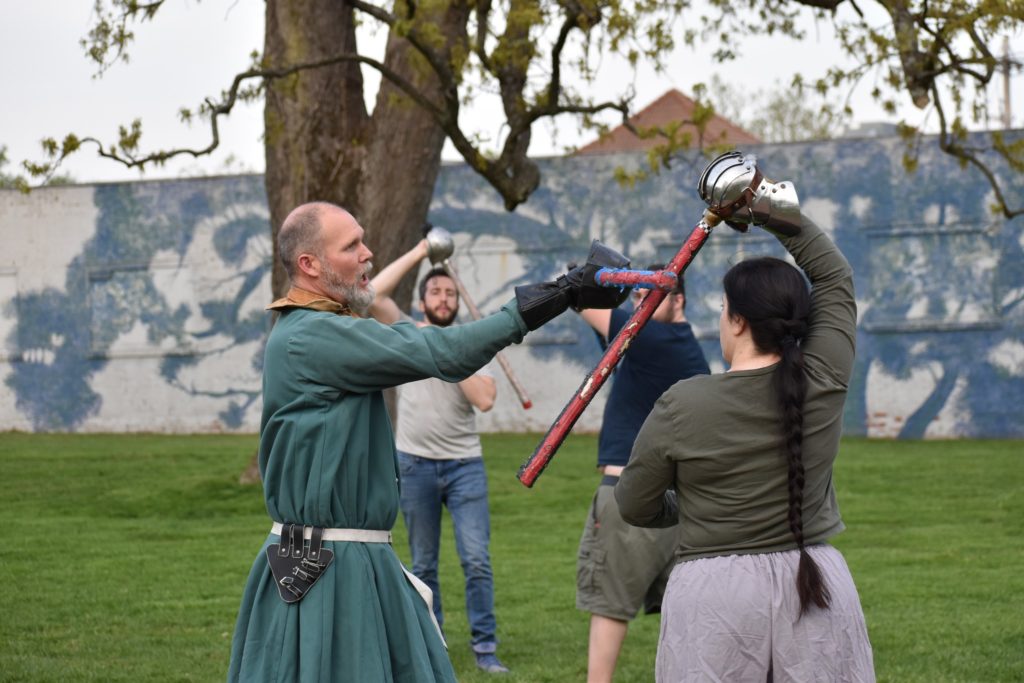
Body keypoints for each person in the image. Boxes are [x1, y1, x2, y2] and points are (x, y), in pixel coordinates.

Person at [226, 202, 627, 683]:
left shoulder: (320, 328)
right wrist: (560, 294)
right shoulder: (312, 337)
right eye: (351, 245)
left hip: (347, 557)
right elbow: (446, 352)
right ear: (310, 264)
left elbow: (411, 331)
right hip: (330, 567)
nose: (367, 252)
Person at [615, 154, 875, 682]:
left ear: (737, 321)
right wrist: (766, 208)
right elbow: (834, 276)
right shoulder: (823, 377)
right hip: (817, 582)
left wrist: (691, 504)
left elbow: (634, 503)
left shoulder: (683, 403)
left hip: (716, 598)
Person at [366, 240, 510, 674]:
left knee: (476, 560)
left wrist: (451, 350)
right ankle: (435, 641)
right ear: (423, 300)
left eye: (450, 293)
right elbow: (373, 295)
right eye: (435, 292)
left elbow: (484, 399)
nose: (443, 299)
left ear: (456, 301)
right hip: (414, 464)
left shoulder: (473, 342)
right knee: (423, 563)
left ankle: (485, 647)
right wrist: (420, 252)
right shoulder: (408, 331)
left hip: (465, 467)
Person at [575, 269, 709, 683]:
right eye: (636, 301)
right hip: (677, 503)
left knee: (611, 607)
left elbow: (579, 298)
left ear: (679, 301)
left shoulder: (654, 340)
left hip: (631, 498)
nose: (639, 309)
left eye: (648, 299)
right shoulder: (677, 345)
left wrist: (597, 271)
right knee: (691, 621)